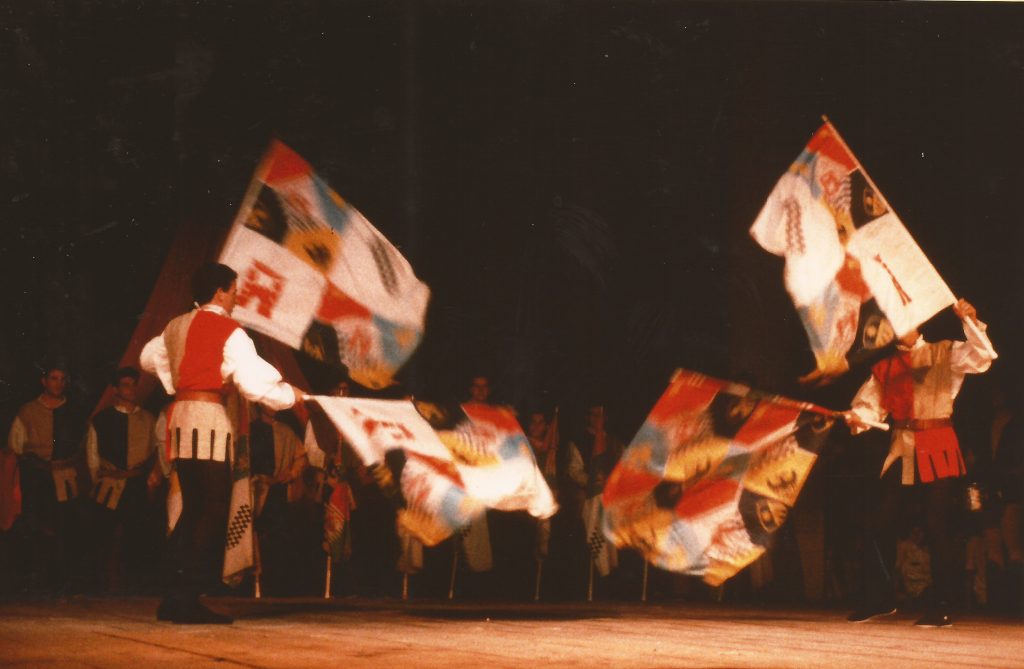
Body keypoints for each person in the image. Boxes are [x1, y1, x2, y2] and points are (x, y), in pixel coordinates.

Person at [140, 262, 299, 624]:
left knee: (195, 508)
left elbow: (148, 358)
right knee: (211, 508)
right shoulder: (230, 330)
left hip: (181, 419)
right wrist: (290, 396)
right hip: (207, 420)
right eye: (234, 291)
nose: (236, 298)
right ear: (219, 292)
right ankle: (185, 598)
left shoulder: (175, 325)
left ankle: (174, 595)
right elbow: (254, 384)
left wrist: (179, 375)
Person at [845, 298, 995, 627]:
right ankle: (880, 599)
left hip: (938, 444)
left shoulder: (945, 352)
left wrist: (970, 320)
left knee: (937, 526)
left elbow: (983, 356)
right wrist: (854, 417)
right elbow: (869, 409)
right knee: (879, 522)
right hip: (902, 447)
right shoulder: (885, 367)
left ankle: (941, 606)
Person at [7, 364, 88, 593]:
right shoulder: (28, 411)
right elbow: (16, 444)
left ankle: (60, 583)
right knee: (36, 526)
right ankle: (33, 583)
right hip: (37, 476)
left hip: (65, 476)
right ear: (44, 381)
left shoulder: (75, 411)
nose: (58, 383)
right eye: (53, 378)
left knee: (65, 527)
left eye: (63, 379)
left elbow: (85, 445)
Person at [85, 367, 162, 593]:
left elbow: (157, 451)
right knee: (103, 536)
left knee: (137, 536)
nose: (131, 390)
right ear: (116, 389)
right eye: (126, 385)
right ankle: (98, 587)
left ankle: (135, 588)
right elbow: (92, 456)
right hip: (108, 486)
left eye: (133, 385)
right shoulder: (102, 419)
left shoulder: (148, 419)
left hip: (136, 486)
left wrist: (151, 480)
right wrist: (98, 481)